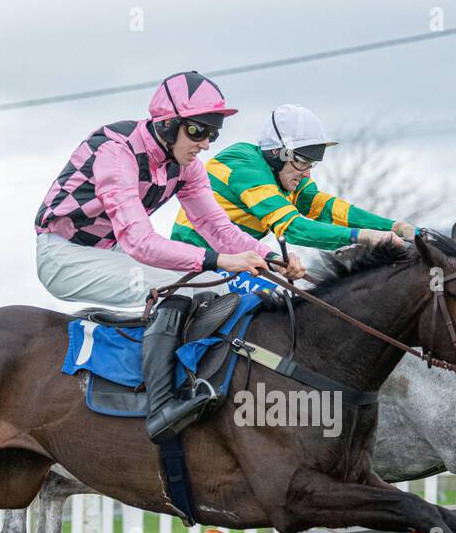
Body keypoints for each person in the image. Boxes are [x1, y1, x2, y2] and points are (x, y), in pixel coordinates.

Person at [33, 71, 305, 442]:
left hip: (107, 251)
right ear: (167, 125)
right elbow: (140, 242)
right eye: (198, 131)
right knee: (180, 287)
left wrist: (267, 257)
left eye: (213, 133)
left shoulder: (187, 166)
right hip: (62, 255)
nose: (206, 144)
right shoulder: (116, 152)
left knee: (211, 287)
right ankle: (162, 407)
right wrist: (221, 261)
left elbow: (216, 227)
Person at [171, 103, 414, 255]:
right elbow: (292, 228)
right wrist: (359, 236)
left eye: (311, 163)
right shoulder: (245, 165)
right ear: (278, 153)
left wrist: (393, 227)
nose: (307, 173)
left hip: (235, 260)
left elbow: (329, 208)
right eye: (302, 162)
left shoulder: (289, 174)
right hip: (192, 260)